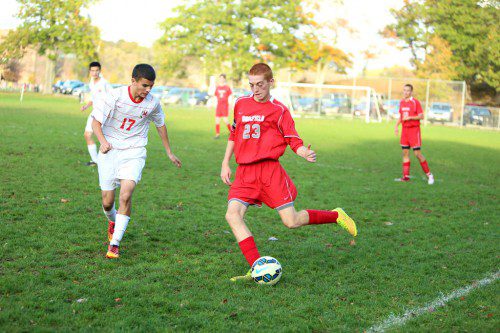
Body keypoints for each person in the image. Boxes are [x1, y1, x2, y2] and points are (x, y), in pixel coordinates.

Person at [220, 63, 357, 281]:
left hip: (269, 172)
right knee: (232, 215)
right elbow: (234, 134)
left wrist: (303, 152)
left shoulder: (279, 110)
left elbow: (293, 139)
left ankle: (336, 215)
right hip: (245, 172)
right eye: (252, 85)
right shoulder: (241, 103)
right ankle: (256, 266)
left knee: (291, 221)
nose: (255, 90)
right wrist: (225, 163)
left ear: (271, 82)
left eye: (260, 85)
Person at [91, 64, 182, 259]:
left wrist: (169, 152)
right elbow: (95, 122)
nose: (148, 90)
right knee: (107, 202)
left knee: (126, 194)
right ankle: (113, 221)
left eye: (151, 86)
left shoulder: (153, 103)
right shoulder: (114, 97)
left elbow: (160, 125)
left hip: (134, 151)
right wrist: (103, 142)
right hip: (110, 150)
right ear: (133, 81)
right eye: (144, 85)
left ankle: (114, 243)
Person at [394, 84, 434, 184]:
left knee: (417, 154)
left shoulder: (415, 102)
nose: (405, 92)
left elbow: (421, 116)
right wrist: (396, 126)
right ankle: (406, 177)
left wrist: (410, 117)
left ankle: (430, 175)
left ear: (411, 92)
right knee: (405, 153)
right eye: (404, 90)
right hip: (404, 131)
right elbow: (401, 116)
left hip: (414, 131)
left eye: (408, 91)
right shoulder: (402, 102)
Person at [81, 61, 111, 166]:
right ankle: (95, 161)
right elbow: (93, 99)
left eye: (97, 70)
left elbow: (112, 98)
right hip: (95, 112)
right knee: (87, 135)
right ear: (90, 71)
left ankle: (109, 161)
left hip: (104, 114)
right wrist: (86, 106)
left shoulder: (104, 83)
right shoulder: (91, 82)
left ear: (100, 71)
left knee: (106, 138)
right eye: (92, 71)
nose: (94, 73)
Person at [214, 74, 232, 139]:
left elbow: (230, 96)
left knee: (225, 120)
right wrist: (213, 104)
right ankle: (217, 134)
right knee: (217, 120)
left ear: (224, 79)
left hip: (225, 106)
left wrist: (230, 104)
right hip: (219, 106)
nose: (221, 79)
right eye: (220, 78)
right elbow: (215, 96)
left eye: (222, 78)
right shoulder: (217, 87)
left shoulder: (227, 87)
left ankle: (232, 132)